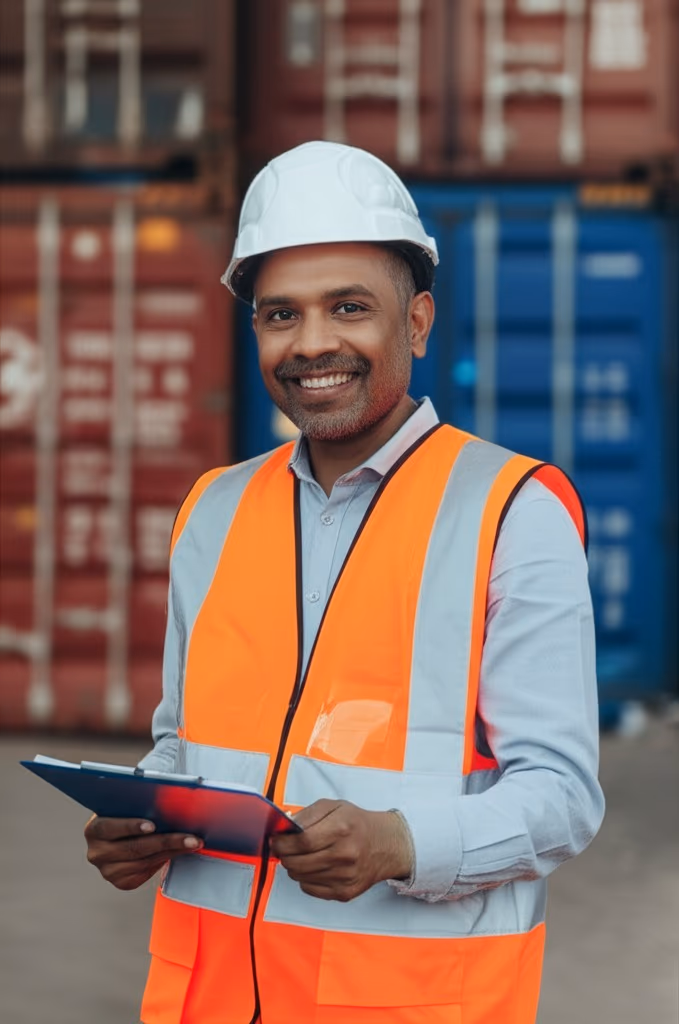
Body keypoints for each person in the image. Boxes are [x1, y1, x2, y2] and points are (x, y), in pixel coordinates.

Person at [84, 141, 605, 1024]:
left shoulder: (510, 511)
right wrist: (142, 814)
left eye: (349, 307)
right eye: (280, 314)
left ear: (417, 323)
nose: (313, 343)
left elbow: (560, 797)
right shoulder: (213, 509)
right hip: (209, 1003)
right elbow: (183, 743)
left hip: (403, 1006)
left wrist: (401, 842)